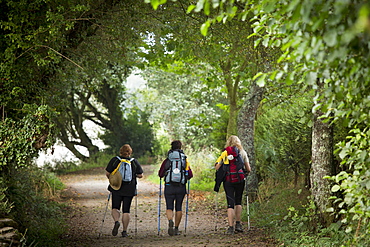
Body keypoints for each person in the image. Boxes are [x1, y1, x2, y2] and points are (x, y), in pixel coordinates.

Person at [214, 135, 251, 235]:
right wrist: (244, 173)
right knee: (238, 201)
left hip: (228, 180)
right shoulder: (242, 152)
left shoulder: (225, 153)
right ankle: (238, 224)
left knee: (230, 203)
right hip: (240, 179)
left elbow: (217, 167)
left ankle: (230, 227)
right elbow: (249, 169)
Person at [105, 144, 143, 237]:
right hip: (129, 188)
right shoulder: (134, 162)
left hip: (117, 187)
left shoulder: (115, 160)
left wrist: (113, 180)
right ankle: (124, 231)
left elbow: (107, 173)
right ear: (130, 152)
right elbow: (140, 175)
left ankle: (116, 221)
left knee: (115, 207)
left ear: (121, 151)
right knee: (126, 210)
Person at [158, 140, 193, 236]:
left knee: (169, 206)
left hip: (169, 186)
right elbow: (190, 174)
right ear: (180, 148)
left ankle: (170, 221)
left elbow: (160, 174)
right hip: (181, 187)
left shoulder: (167, 160)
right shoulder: (184, 160)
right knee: (179, 207)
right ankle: (176, 228)